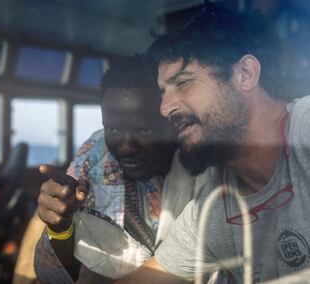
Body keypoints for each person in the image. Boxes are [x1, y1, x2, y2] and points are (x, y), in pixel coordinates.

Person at [115, 5, 310, 284]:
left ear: (245, 74)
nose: (165, 108)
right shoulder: (212, 212)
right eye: (163, 92)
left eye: (183, 82)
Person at [34, 55, 203, 283]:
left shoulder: (204, 161)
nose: (126, 146)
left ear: (173, 121)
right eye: (113, 129)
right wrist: (61, 229)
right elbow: (61, 275)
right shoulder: (94, 158)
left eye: (144, 131)